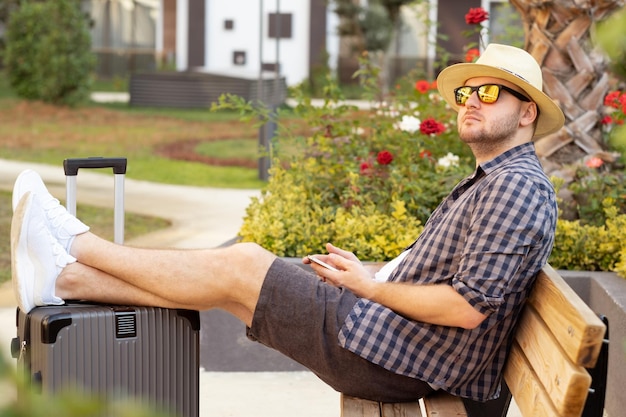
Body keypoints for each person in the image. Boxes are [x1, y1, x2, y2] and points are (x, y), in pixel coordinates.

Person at [11, 44, 565, 403]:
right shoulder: (499, 178)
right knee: (230, 285)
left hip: (397, 360)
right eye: (468, 92)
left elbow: (467, 308)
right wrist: (374, 276)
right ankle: (67, 279)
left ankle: (79, 245)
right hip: (394, 340)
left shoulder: (515, 186)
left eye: (489, 92)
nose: (470, 102)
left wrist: (369, 286)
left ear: (526, 112)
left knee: (242, 264)